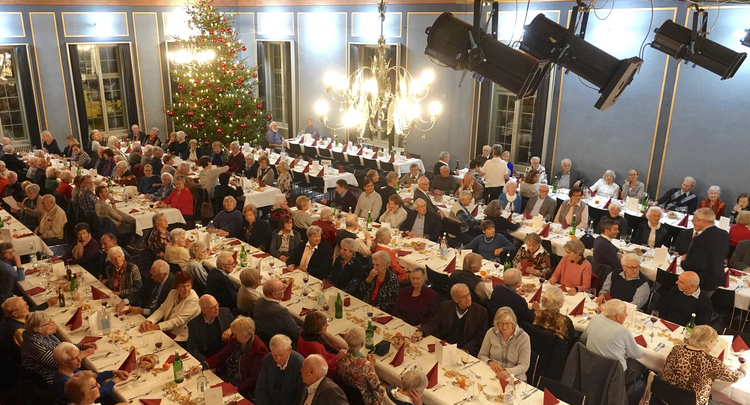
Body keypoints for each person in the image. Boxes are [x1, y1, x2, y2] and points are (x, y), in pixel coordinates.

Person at [662, 325, 747, 405]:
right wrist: (744, 370)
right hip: (691, 402)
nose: (714, 345)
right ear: (707, 343)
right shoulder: (710, 362)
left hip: (666, 397)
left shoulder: (677, 349)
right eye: (715, 342)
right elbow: (734, 377)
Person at [194, 316, 269, 399]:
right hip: (224, 378)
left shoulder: (258, 349)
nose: (233, 336)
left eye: (236, 334)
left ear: (244, 334)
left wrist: (235, 389)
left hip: (241, 387)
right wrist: (202, 365)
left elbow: (253, 378)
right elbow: (221, 356)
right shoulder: (235, 340)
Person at [21, 311, 97, 385]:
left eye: (51, 321)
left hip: (64, 370)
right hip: (52, 378)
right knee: (94, 377)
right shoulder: (33, 343)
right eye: (48, 323)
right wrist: (85, 353)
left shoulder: (42, 335)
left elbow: (63, 348)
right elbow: (60, 362)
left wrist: (83, 346)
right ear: (37, 329)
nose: (52, 323)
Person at [579, 299, 644, 385]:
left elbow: (583, 339)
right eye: (625, 312)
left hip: (591, 366)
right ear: (617, 316)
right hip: (615, 375)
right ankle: (627, 394)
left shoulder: (595, 319)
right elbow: (637, 354)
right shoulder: (623, 331)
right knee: (642, 365)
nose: (626, 315)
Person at [414, 283, 488, 356]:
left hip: (463, 349)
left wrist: (465, 350)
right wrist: (421, 331)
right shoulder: (446, 306)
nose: (468, 298)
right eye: (463, 297)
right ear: (455, 299)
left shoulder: (480, 312)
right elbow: (436, 322)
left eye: (468, 294)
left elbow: (480, 337)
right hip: (444, 345)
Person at [51, 342, 129, 403]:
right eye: (75, 358)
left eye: (79, 355)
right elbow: (97, 395)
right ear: (64, 363)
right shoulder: (65, 382)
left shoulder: (70, 370)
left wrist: (112, 372)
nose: (80, 359)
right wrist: (115, 380)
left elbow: (93, 376)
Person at [676, 208, 730, 295]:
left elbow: (698, 264)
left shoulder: (701, 238)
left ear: (701, 220)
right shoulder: (724, 234)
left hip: (702, 281)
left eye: (694, 220)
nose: (693, 222)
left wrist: (683, 261)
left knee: (693, 306)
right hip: (716, 278)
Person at [478, 306, 531, 381]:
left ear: (513, 323)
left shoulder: (523, 338)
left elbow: (524, 365)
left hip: (514, 377)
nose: (504, 327)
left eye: (507, 323)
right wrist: (490, 362)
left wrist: (508, 372)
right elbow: (481, 355)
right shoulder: (491, 332)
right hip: (493, 373)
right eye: (501, 323)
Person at [336, 327, 384, 405]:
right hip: (362, 399)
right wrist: (372, 366)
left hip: (345, 391)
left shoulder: (340, 354)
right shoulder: (364, 364)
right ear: (362, 344)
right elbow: (376, 386)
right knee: (387, 388)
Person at [255, 334, 306, 405]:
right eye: (274, 355)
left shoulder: (300, 364)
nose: (278, 359)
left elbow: (301, 395)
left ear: (290, 350)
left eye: (281, 355)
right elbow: (261, 387)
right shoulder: (268, 359)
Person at [186, 294, 234, 361]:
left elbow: (240, 324)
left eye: (217, 305)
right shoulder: (194, 324)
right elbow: (192, 348)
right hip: (207, 357)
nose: (217, 309)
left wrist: (231, 329)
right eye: (213, 307)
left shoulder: (225, 313)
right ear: (203, 310)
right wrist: (207, 363)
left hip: (225, 354)